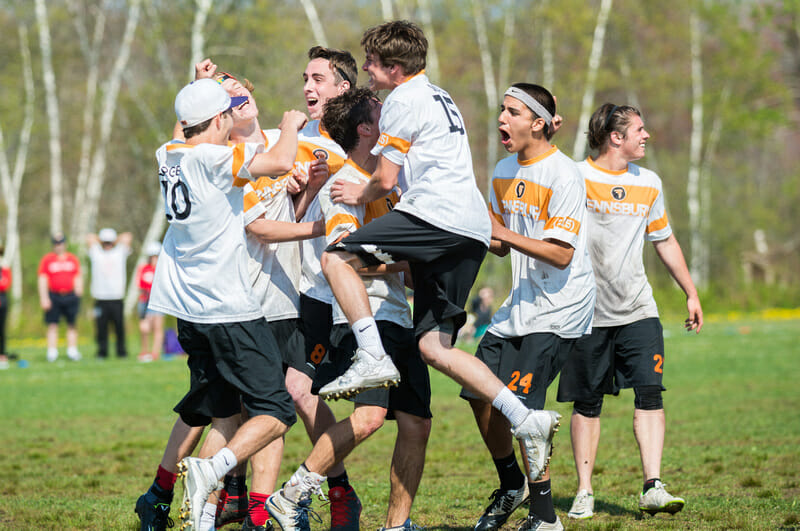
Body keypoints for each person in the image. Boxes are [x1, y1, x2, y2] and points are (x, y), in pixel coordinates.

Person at [316, 18, 559, 509]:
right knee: (433, 346)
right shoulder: (438, 94)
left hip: (437, 218)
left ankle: (371, 355)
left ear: (395, 67)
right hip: (469, 228)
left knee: (336, 258)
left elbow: (383, 181)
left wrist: (354, 190)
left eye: (372, 63)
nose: (366, 69)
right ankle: (526, 418)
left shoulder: (403, 101)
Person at [267, 87, 432, 531]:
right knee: (370, 417)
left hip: (398, 313)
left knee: (416, 423)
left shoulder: (385, 184)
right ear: (365, 129)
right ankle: (293, 493)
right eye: (382, 113)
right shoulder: (342, 186)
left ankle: (397, 524)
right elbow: (344, 255)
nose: (390, 117)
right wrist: (409, 258)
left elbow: (400, 265)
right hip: (366, 319)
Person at [146, 78, 307, 531]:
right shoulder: (217, 159)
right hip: (229, 309)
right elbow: (278, 160)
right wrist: (291, 125)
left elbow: (183, 129)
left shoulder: (168, 154)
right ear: (219, 121)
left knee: (222, 412)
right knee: (275, 411)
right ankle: (211, 470)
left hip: (189, 312)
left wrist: (199, 80)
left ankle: (201, 516)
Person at [557, 102, 703, 520]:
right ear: (615, 137)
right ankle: (584, 491)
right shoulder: (575, 177)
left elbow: (665, 240)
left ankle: (653, 485)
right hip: (585, 313)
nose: (647, 135)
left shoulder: (650, 182)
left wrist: (690, 292)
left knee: (650, 393)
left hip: (638, 309)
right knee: (587, 403)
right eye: (639, 129)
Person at [461, 83, 596, 531]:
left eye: (513, 112)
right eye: (502, 109)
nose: (502, 118)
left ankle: (544, 517)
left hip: (561, 306)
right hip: (520, 305)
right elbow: (502, 247)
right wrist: (475, 223)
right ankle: (511, 485)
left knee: (521, 407)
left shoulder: (564, 174)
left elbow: (560, 253)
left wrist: (499, 228)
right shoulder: (502, 169)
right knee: (479, 394)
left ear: (538, 122)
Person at [87, 228, 132, 359]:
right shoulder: (96, 252)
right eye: (105, 242)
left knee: (119, 327)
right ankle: (102, 352)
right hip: (100, 297)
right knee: (101, 328)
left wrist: (114, 240)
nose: (107, 245)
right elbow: (89, 237)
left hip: (116, 297)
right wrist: (102, 240)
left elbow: (128, 235)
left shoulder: (119, 251)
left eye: (109, 242)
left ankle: (121, 352)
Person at [37, 232, 83, 362]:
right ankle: (52, 352)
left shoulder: (72, 259)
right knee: (52, 325)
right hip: (54, 296)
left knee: (72, 324)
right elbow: (42, 278)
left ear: (65, 244)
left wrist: (79, 290)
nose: (59, 246)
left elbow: (77, 275)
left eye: (61, 243)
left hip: (70, 295)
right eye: (56, 243)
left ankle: (72, 351)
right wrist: (44, 297)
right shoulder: (47, 260)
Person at [136, 241, 165, 362]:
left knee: (157, 327)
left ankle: (155, 353)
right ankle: (144, 351)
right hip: (144, 301)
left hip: (158, 301)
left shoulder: (162, 269)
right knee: (144, 328)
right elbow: (139, 284)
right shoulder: (144, 268)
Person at [0, 242, 10, 369]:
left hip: (1, 300)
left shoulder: (4, 265)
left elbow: (5, 284)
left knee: (1, 329)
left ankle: (2, 354)